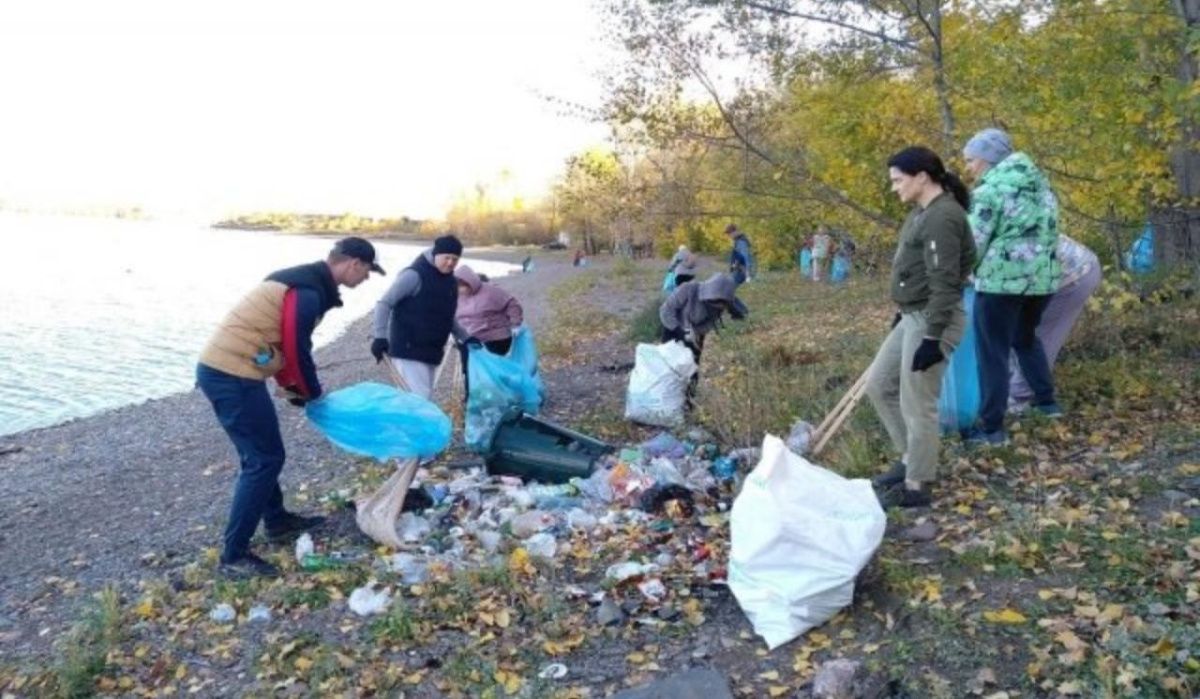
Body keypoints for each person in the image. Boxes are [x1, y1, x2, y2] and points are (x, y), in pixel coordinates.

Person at [196, 237, 385, 577]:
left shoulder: (304, 282)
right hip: (231, 374)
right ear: (353, 264)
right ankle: (233, 555)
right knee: (263, 459)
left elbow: (283, 342)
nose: (367, 279)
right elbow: (297, 348)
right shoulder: (308, 290)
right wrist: (311, 391)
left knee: (261, 454)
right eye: (368, 271)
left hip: (231, 370)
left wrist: (295, 388)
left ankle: (277, 521)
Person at [866, 147, 976, 509]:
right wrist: (904, 309)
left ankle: (917, 485)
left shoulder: (943, 217)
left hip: (933, 318)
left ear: (922, 177)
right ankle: (908, 458)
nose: (894, 188)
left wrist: (932, 337)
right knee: (879, 385)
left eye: (898, 180)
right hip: (913, 314)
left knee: (918, 404)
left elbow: (946, 281)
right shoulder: (922, 212)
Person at [962, 128, 1062, 446]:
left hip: (1000, 283)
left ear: (988, 158)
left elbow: (973, 241)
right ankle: (1046, 403)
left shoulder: (989, 191)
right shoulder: (1042, 186)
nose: (968, 168)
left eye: (971, 160)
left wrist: (961, 272)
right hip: (1042, 280)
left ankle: (991, 428)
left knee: (992, 352)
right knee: (1025, 338)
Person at [1008, 234, 1100, 411]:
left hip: (1074, 274)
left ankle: (1022, 401)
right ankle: (1022, 394)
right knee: (1014, 334)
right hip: (1041, 273)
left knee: (1034, 336)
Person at [370, 235, 469, 399]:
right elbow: (384, 304)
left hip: (432, 351)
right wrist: (379, 337)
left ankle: (400, 425)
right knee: (419, 401)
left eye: (455, 259)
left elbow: (446, 316)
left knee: (417, 400)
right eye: (447, 257)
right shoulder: (414, 275)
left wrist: (466, 338)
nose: (451, 263)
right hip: (408, 350)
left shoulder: (450, 281)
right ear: (436, 254)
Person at [659, 273, 748, 402]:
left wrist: (693, 336)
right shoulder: (688, 289)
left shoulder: (720, 304)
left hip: (694, 335)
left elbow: (709, 324)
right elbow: (665, 310)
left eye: (720, 306)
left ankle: (688, 402)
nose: (717, 307)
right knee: (668, 366)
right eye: (714, 303)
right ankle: (664, 398)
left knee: (692, 369)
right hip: (673, 328)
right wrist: (680, 330)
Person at [453, 264, 524, 398]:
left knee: (492, 369)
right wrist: (455, 336)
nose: (461, 289)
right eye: (458, 286)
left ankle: (500, 397)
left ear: (471, 282)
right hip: (468, 338)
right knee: (468, 369)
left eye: (464, 285)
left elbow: (512, 304)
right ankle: (473, 398)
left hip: (494, 336)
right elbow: (452, 318)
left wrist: (515, 324)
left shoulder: (491, 292)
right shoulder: (456, 296)